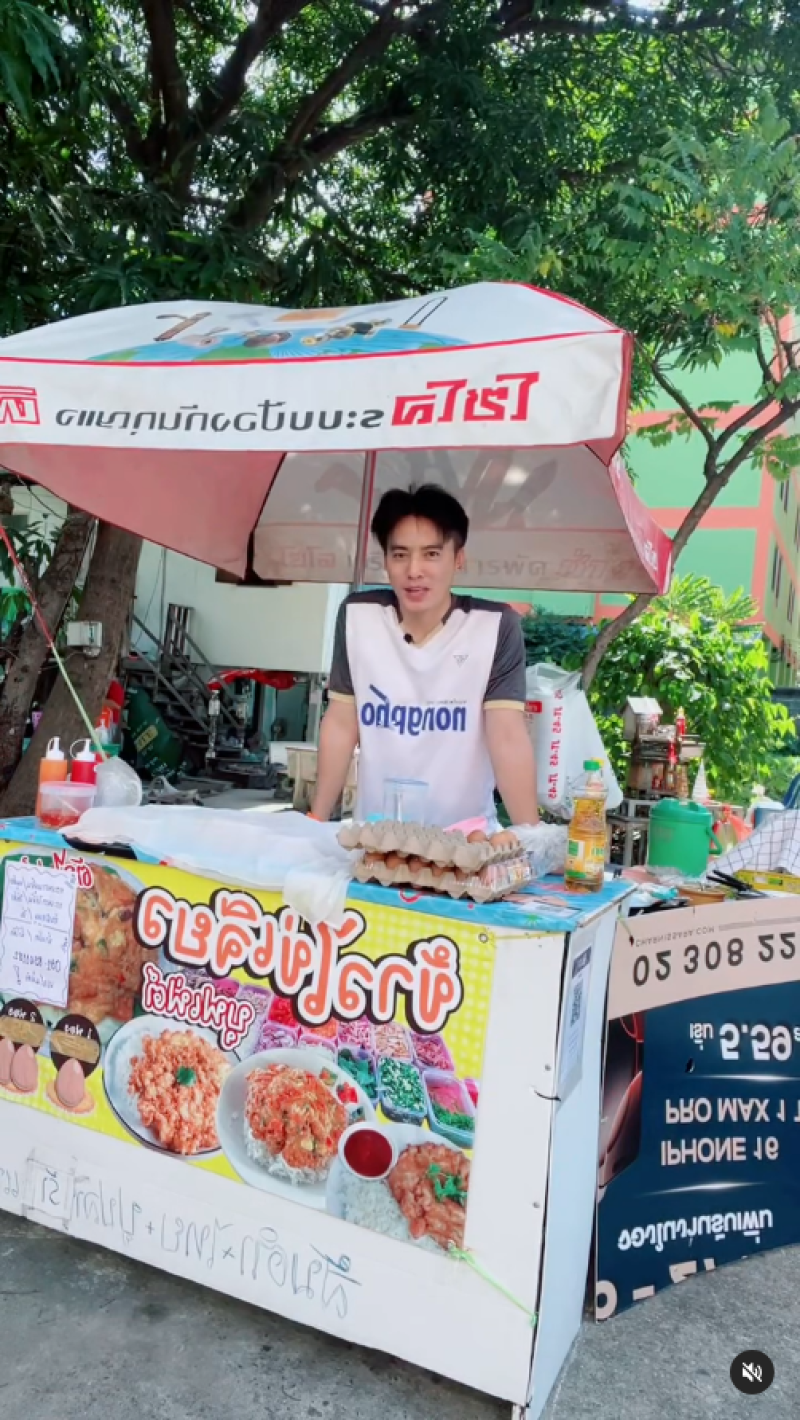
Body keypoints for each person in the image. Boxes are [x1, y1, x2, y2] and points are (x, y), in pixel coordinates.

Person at [310, 484, 538, 827]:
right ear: (385, 560)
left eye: (431, 554)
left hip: (466, 840)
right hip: (376, 838)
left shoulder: (495, 627)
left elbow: (507, 736)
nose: (414, 570)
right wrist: (316, 818)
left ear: (458, 558)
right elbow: (342, 723)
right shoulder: (358, 617)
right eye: (400, 554)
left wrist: (529, 836)